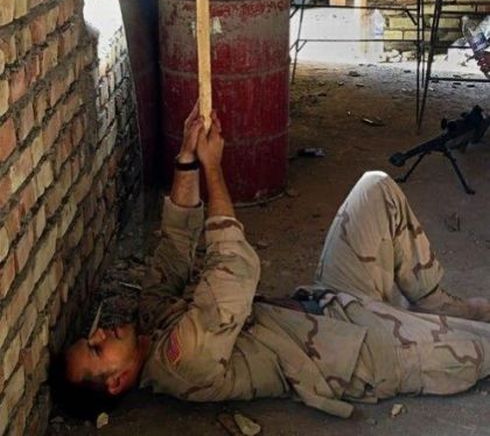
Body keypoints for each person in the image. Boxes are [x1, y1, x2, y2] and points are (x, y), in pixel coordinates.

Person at [58, 104, 490, 420]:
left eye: (89, 336)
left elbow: (175, 241)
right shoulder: (181, 362)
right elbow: (234, 269)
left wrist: (187, 157)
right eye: (97, 349)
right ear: (117, 381)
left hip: (329, 302)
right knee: (479, 349)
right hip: (353, 355)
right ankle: (434, 327)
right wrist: (213, 169)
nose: (99, 333)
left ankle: (435, 304)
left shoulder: (150, 321)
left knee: (375, 188)